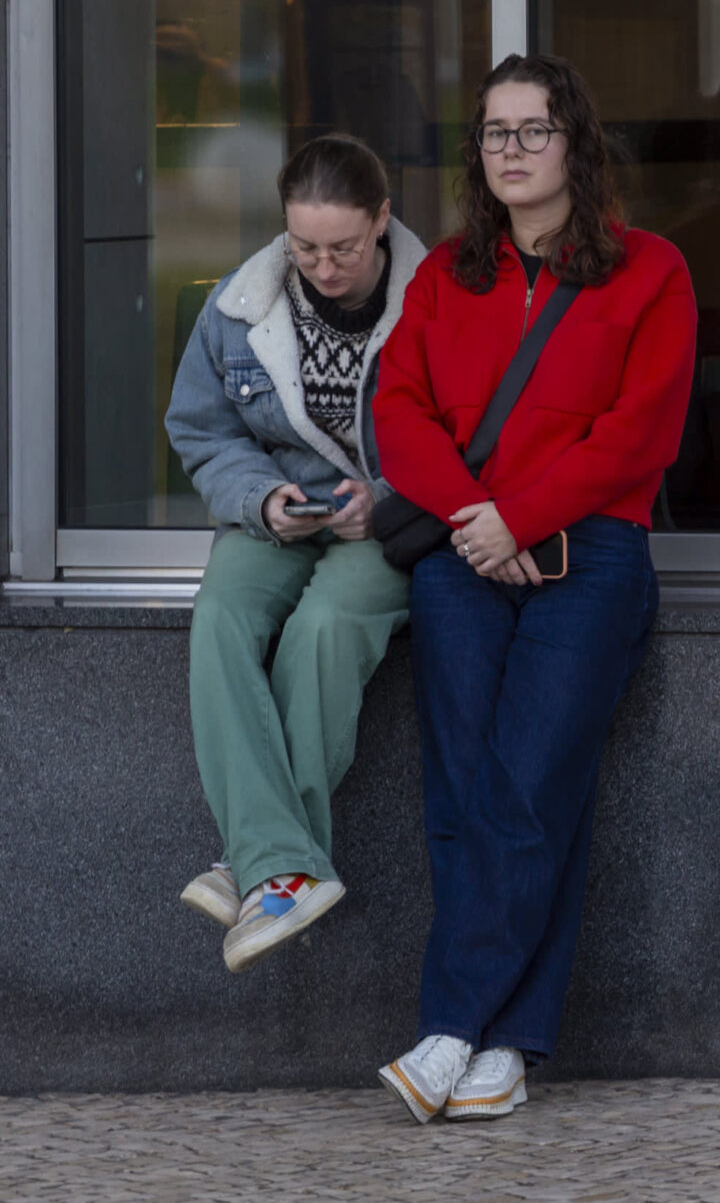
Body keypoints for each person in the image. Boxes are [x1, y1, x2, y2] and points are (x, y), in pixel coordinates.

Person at [371, 54, 696, 1124]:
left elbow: (639, 432)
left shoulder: (651, 271)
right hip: (466, 552)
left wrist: (522, 514)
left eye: (533, 130)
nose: (510, 150)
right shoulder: (444, 275)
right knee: (465, 793)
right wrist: (479, 513)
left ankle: (459, 1028)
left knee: (529, 788)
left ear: (576, 144)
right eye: (494, 132)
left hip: (588, 559)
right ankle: (504, 1044)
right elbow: (398, 410)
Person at [164, 134, 428, 971]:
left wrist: (387, 501)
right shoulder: (239, 305)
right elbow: (201, 429)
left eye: (343, 247)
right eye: (304, 246)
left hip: (390, 523)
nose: (323, 266)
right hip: (281, 513)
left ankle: (259, 861)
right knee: (219, 617)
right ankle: (278, 866)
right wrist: (260, 498)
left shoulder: (436, 302)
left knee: (325, 629)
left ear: (381, 220)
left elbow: (469, 433)